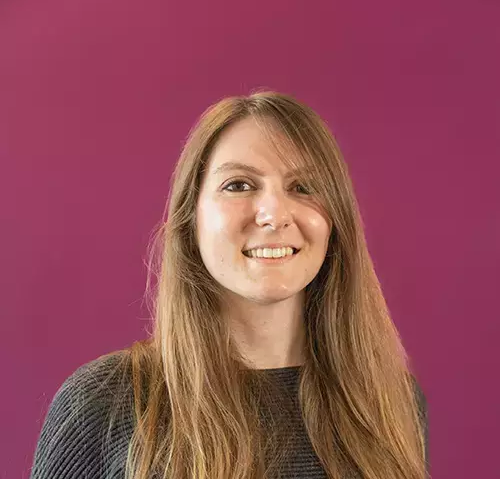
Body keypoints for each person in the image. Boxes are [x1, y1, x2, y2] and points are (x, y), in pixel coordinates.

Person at [30, 91, 429, 479]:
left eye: (303, 187)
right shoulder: (103, 403)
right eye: (239, 185)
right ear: (191, 221)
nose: (274, 214)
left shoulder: (391, 402)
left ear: (334, 223)